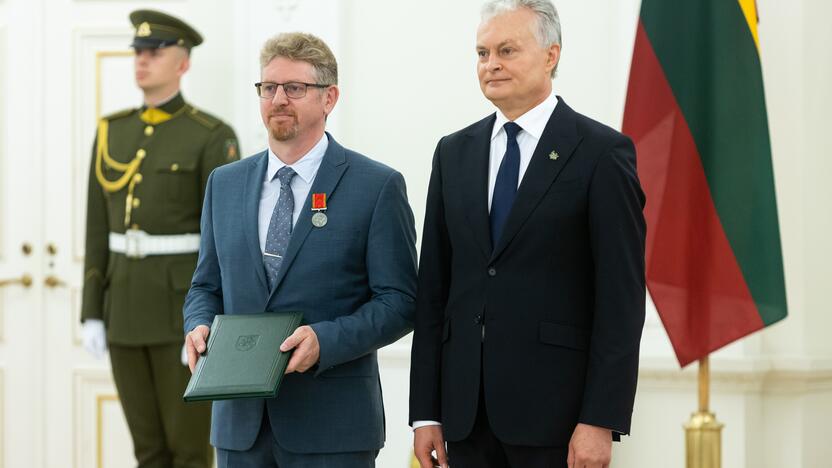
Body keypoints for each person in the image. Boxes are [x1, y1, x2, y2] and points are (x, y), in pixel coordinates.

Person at [409, 1, 646, 467]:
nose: (491, 64)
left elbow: (621, 301)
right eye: (482, 53)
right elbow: (433, 291)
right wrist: (425, 413)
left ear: (551, 55)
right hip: (465, 418)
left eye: (507, 50)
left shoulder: (601, 153)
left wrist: (601, 418)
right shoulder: (453, 153)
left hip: (557, 419)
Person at [182, 32, 417, 468]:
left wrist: (324, 341)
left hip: (333, 428)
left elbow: (401, 302)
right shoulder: (225, 184)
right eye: (268, 88)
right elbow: (204, 286)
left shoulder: (376, 186)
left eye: (295, 88)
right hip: (240, 427)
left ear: (330, 98)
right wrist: (196, 325)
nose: (278, 99)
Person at [80, 9, 239, 468]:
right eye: (138, 52)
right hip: (124, 310)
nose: (142, 60)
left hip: (184, 317)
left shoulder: (211, 136)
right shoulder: (112, 131)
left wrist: (218, 316)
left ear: (183, 63)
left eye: (155, 52)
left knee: (190, 451)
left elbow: (224, 239)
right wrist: (93, 308)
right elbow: (96, 225)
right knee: (147, 451)